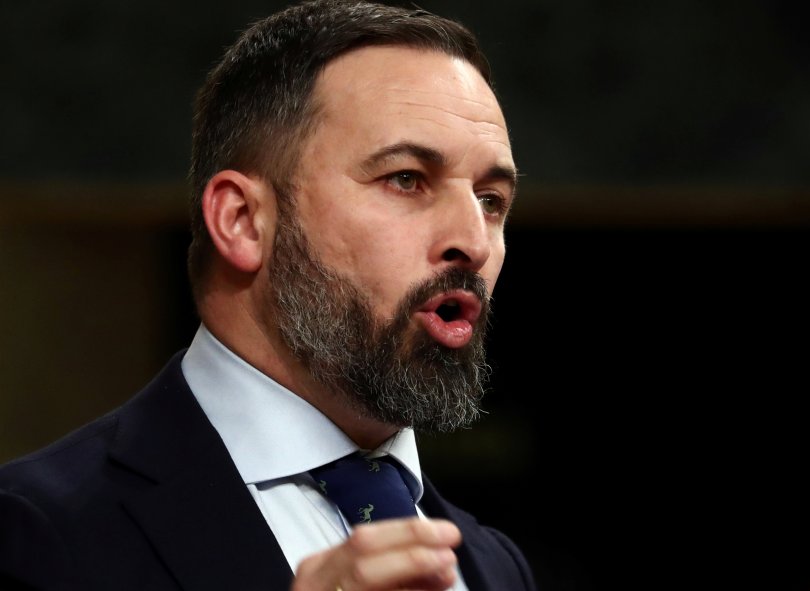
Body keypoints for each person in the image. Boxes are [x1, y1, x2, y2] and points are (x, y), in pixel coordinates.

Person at [0, 1, 536, 589]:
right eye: (405, 179)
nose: (473, 243)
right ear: (242, 220)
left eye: (491, 200)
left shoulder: (493, 567)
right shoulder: (32, 533)